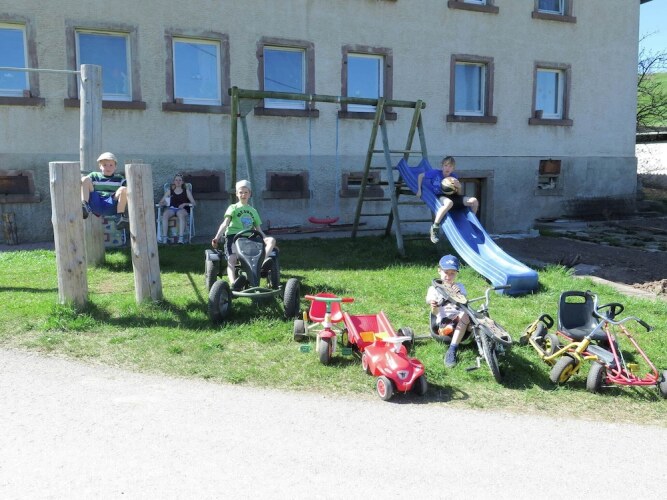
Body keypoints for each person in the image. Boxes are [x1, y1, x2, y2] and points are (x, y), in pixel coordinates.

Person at [211, 180, 276, 290]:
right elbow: (225, 224)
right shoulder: (233, 208)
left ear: (250, 194)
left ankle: (262, 261)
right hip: (234, 237)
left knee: (271, 240)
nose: (243, 195)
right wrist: (217, 237)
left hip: (250, 238)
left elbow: (258, 229)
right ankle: (234, 284)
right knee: (232, 259)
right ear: (237, 194)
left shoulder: (253, 210)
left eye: (246, 192)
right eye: (241, 192)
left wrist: (265, 239)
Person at [415, 156, 479, 244]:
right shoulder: (435, 173)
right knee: (449, 203)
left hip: (453, 196)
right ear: (442, 166)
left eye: (450, 166)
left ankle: (471, 223)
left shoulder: (454, 177)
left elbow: (458, 194)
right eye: (445, 165)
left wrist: (459, 187)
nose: (447, 168)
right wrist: (419, 189)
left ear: (453, 168)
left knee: (474, 201)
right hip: (440, 195)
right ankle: (435, 227)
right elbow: (420, 176)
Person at [425, 254, 471, 368]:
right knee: (465, 316)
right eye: (446, 272)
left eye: (452, 273)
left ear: (456, 273)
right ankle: (452, 349)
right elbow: (434, 312)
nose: (448, 276)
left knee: (474, 317)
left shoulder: (459, 286)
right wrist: (434, 305)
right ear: (439, 271)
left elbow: (465, 303)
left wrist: (458, 293)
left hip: (461, 318)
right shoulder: (434, 289)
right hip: (446, 321)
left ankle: (490, 343)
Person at [81, 152, 129, 230]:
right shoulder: (94, 175)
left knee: (124, 189)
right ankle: (85, 206)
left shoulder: (119, 178)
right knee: (84, 179)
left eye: (111, 165)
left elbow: (129, 187)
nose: (108, 168)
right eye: (105, 165)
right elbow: (84, 183)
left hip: (111, 203)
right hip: (96, 201)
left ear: (115, 167)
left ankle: (119, 217)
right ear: (100, 166)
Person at [157, 173, 196, 244]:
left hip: (182, 210)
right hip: (172, 209)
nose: (178, 182)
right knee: (165, 214)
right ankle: (164, 238)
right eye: (176, 180)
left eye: (180, 180)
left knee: (180, 214)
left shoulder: (186, 191)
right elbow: (161, 202)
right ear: (174, 182)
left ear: (182, 182)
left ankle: (181, 239)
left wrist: (185, 204)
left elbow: (193, 203)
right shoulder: (170, 191)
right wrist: (164, 203)